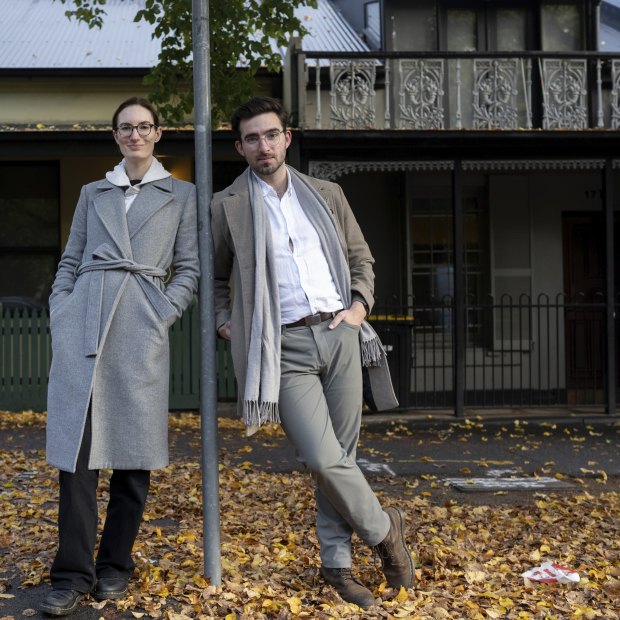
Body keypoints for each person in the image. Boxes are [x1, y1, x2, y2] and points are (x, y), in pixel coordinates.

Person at [211, 96, 414, 609]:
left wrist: (360, 308)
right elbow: (215, 277)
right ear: (240, 147)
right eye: (252, 138)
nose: (263, 145)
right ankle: (386, 532)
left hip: (340, 332)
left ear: (287, 138)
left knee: (341, 459)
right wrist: (224, 320)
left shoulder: (326, 194)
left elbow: (359, 257)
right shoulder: (226, 205)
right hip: (283, 346)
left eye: (271, 134)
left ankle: (337, 565)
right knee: (322, 459)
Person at [40, 97, 200, 617]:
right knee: (78, 458)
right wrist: (61, 309)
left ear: (158, 134)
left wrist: (162, 312)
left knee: (132, 458)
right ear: (115, 136)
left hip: (140, 325)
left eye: (144, 127)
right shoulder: (93, 193)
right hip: (84, 321)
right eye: (126, 127)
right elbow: (71, 257)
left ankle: (115, 565)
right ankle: (70, 574)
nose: (136, 135)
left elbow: (189, 268)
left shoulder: (181, 195)